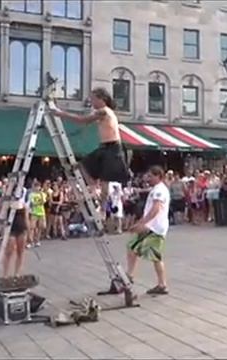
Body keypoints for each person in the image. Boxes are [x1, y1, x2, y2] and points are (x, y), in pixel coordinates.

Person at [51, 88, 131, 208]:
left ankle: (102, 204)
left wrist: (60, 113)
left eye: (93, 99)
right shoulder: (102, 112)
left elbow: (82, 120)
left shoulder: (104, 111)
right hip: (105, 146)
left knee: (105, 179)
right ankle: (95, 189)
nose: (92, 102)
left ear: (101, 99)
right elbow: (84, 121)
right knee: (84, 165)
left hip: (112, 146)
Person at [126, 166, 171, 295]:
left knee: (155, 256)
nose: (148, 178)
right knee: (132, 247)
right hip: (151, 227)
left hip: (155, 228)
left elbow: (156, 209)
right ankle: (130, 275)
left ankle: (162, 284)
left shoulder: (159, 190)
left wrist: (141, 223)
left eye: (151, 176)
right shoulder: (156, 189)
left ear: (158, 176)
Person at [2, 188, 30, 278]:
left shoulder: (23, 205)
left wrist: (29, 232)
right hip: (11, 229)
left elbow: (26, 218)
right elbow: (3, 216)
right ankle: (5, 273)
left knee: (20, 251)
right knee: (9, 252)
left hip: (21, 228)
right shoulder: (8, 204)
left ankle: (17, 273)